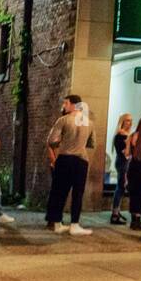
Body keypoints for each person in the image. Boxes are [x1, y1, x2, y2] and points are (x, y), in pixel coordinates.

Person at [45, 95, 95, 236]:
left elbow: (51, 140)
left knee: (59, 191)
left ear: (74, 105)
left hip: (65, 158)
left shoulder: (63, 120)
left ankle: (56, 223)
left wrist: (62, 141)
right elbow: (92, 143)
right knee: (78, 193)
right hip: (81, 160)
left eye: (66, 103)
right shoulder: (89, 123)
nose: (64, 106)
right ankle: (75, 224)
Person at [109, 113, 132, 225]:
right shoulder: (120, 134)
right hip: (123, 162)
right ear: (122, 121)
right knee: (121, 187)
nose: (129, 122)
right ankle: (115, 214)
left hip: (124, 162)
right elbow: (122, 151)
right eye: (127, 120)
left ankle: (116, 211)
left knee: (121, 187)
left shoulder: (126, 134)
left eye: (131, 120)